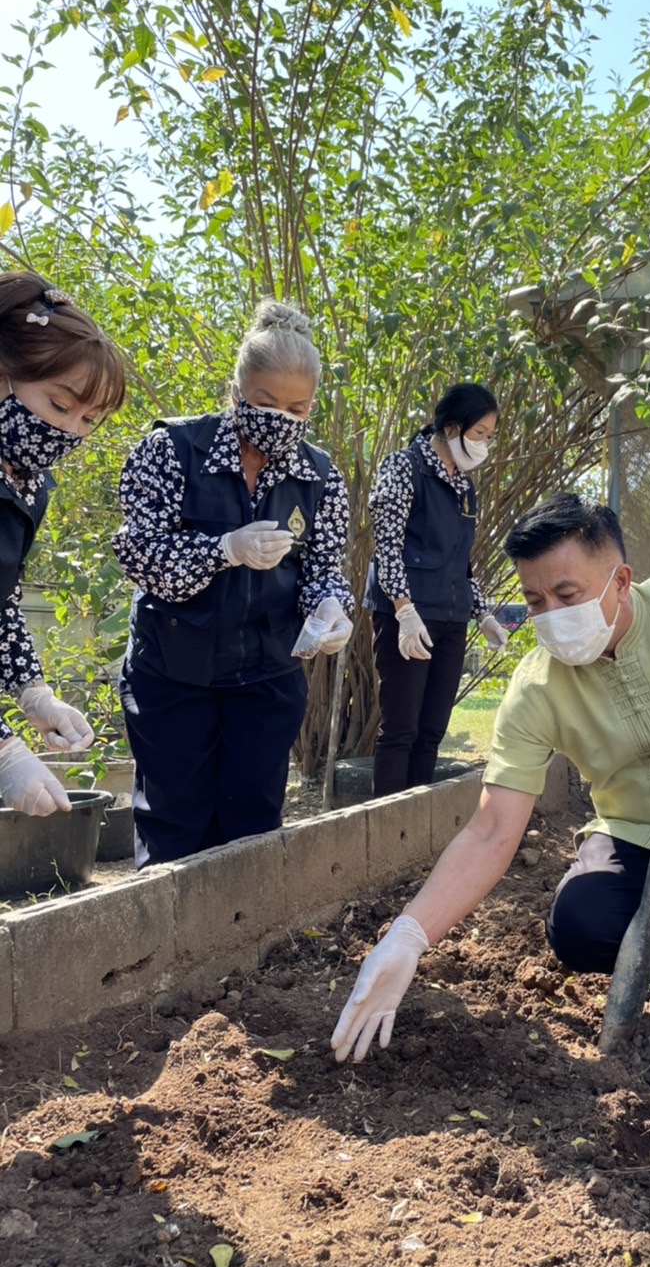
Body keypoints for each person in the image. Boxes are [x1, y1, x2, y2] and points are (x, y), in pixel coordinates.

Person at [333, 493, 650, 1089]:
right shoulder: (536, 687)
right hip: (638, 835)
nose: (551, 616)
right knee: (580, 924)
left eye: (567, 595)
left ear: (620, 580)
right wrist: (408, 937)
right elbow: (492, 829)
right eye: (534, 600)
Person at [113, 300, 354, 867]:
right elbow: (138, 552)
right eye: (265, 403)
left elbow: (323, 567)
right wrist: (223, 550)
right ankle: (170, 952)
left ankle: (240, 945)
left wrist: (331, 610)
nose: (280, 418)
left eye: (296, 409)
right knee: (175, 824)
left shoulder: (319, 476)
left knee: (252, 822)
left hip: (266, 675)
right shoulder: (172, 450)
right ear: (237, 390)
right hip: (173, 670)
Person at [0, 271, 126, 816]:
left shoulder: (27, 482)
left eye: (89, 419)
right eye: (59, 404)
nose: (72, 431)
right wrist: (4, 751)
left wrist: (34, 693)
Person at [364, 382, 507, 798]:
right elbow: (387, 545)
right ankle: (386, 821)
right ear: (451, 427)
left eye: (488, 436)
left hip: (450, 617)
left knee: (431, 731)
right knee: (400, 729)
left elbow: (460, 561)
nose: (483, 444)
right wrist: (404, 611)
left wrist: (482, 613)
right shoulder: (403, 467)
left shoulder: (463, 485)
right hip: (408, 617)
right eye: (478, 434)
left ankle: (413, 827)